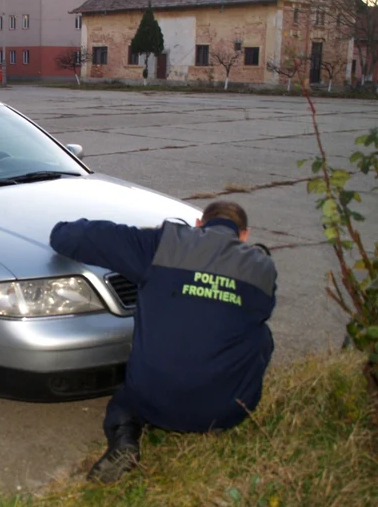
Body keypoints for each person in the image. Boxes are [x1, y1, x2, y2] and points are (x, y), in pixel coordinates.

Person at [49, 201, 277, 484]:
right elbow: (257, 312)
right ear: (244, 235)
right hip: (226, 412)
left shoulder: (164, 244)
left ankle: (125, 437)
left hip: (154, 402)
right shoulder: (263, 268)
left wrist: (60, 228)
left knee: (124, 404)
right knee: (261, 335)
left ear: (199, 224)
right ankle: (225, 394)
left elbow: (70, 237)